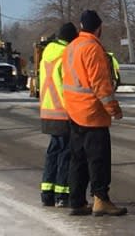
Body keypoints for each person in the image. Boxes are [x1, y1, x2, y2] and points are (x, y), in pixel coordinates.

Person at [62, 10, 127, 216]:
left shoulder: (71, 47)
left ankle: (77, 201)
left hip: (74, 111)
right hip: (92, 113)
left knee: (77, 160)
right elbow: (100, 84)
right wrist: (113, 109)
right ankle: (101, 200)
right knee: (98, 160)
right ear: (99, 28)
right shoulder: (92, 48)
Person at [39, 22, 78, 208]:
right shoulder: (66, 55)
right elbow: (69, 85)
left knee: (53, 152)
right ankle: (62, 193)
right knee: (65, 154)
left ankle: (47, 192)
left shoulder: (47, 53)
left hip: (48, 110)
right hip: (63, 110)